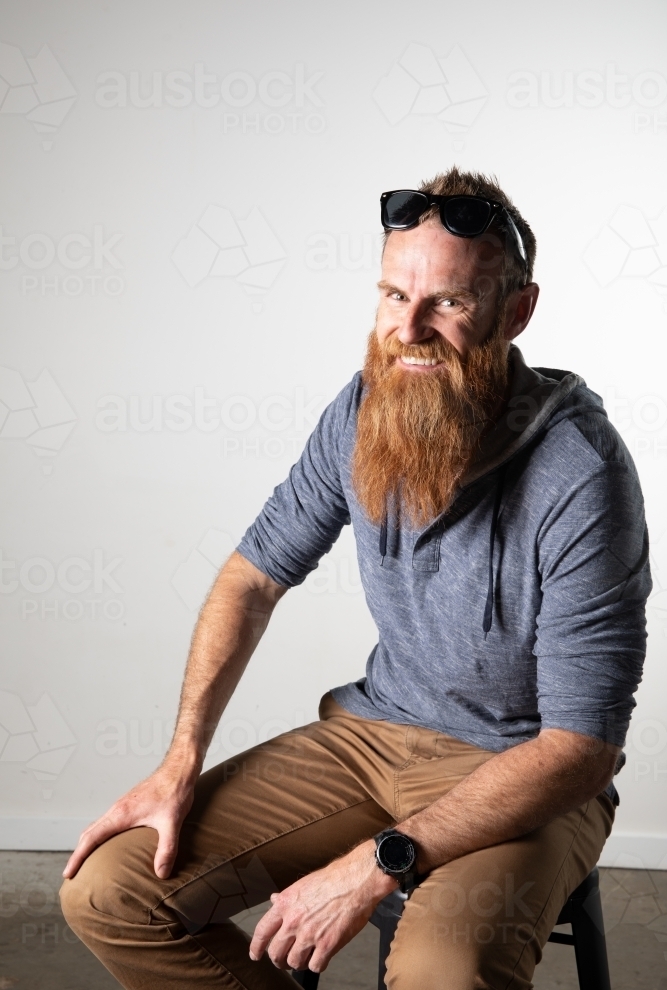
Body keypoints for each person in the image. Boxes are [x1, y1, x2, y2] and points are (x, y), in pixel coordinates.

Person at [60, 168, 651, 990]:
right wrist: (179, 760)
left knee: (445, 972)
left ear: (516, 313)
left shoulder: (579, 473)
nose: (407, 327)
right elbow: (251, 579)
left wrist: (377, 863)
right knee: (109, 892)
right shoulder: (366, 404)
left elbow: (580, 750)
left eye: (446, 302)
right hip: (369, 739)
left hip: (522, 769)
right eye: (390, 295)